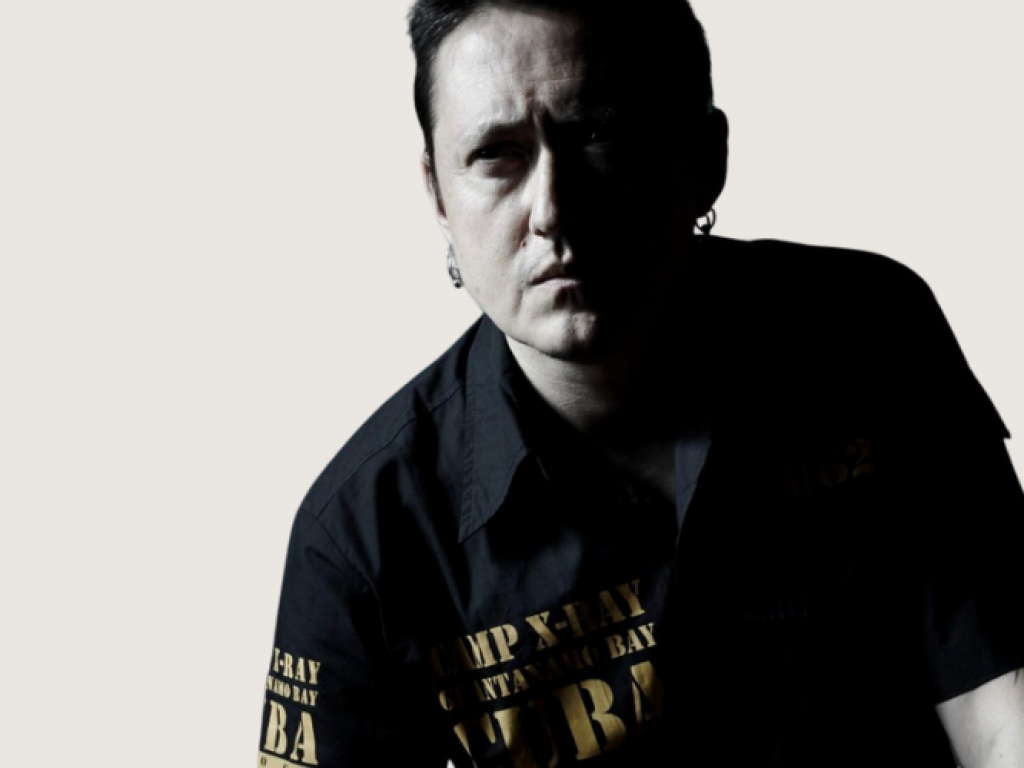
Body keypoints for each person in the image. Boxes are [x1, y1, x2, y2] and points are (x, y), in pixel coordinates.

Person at [256, 1, 1024, 765]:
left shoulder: (869, 334)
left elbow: (999, 703)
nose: (552, 211)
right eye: (496, 154)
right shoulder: (362, 540)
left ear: (705, 157)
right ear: (437, 195)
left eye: (597, 135)